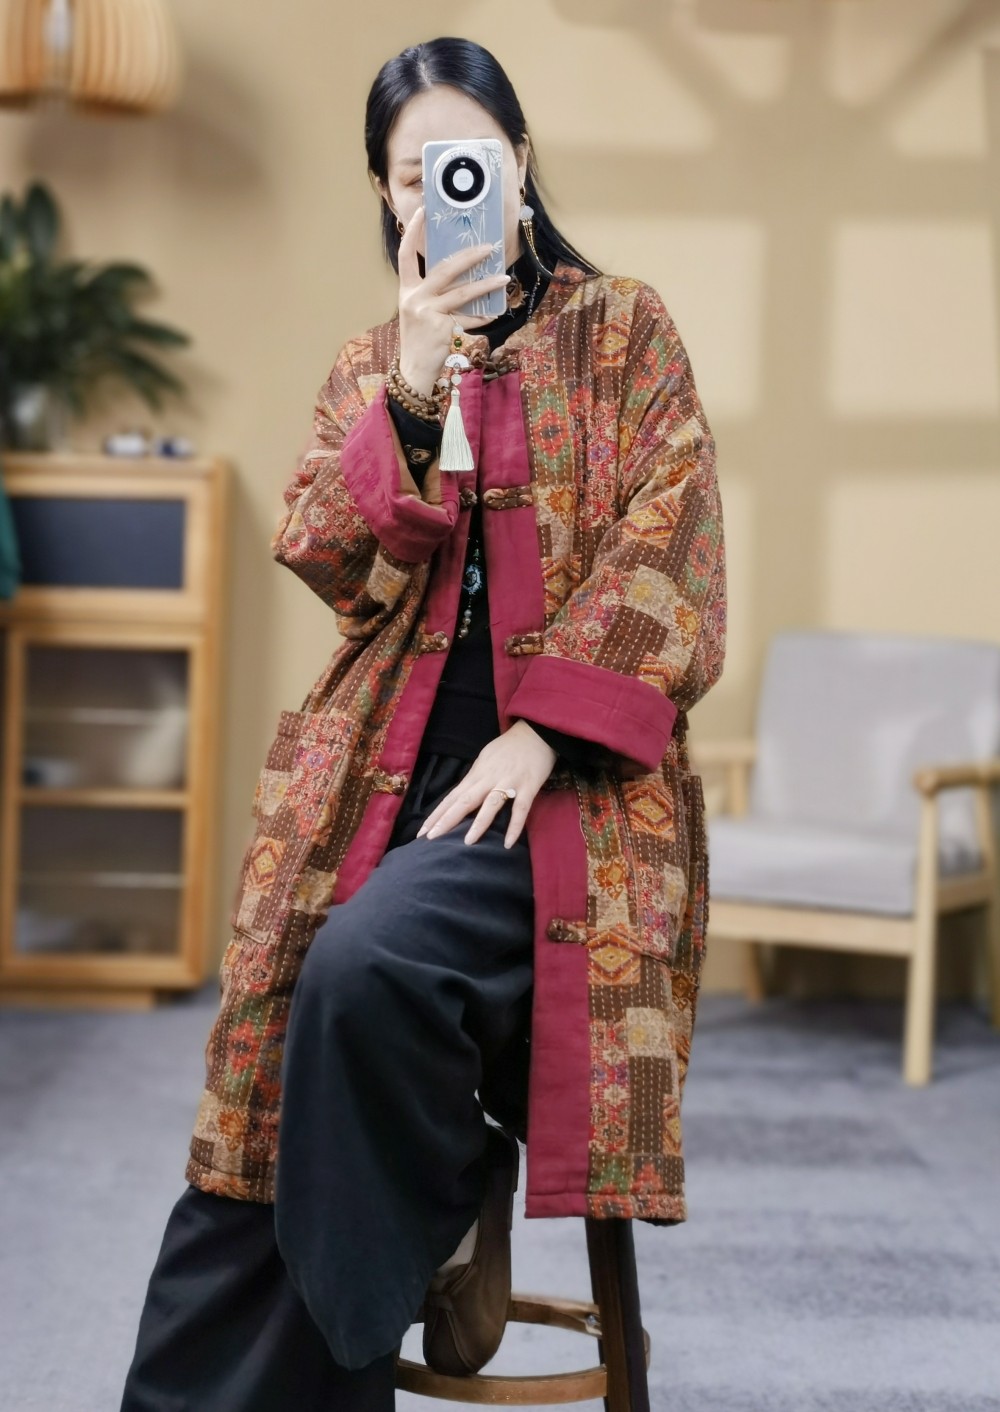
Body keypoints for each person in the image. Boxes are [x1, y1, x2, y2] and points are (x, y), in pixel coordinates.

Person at [118, 34, 726, 1412]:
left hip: (566, 798)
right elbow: (338, 567)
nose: (442, 187)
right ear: (386, 197)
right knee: (273, 1056)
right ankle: (430, 1205)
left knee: (361, 969)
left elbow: (674, 555)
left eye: (469, 158)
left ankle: (435, 1203)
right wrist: (408, 383)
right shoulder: (374, 361)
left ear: (518, 163)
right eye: (413, 174)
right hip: (380, 779)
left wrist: (544, 734)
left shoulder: (624, 330)